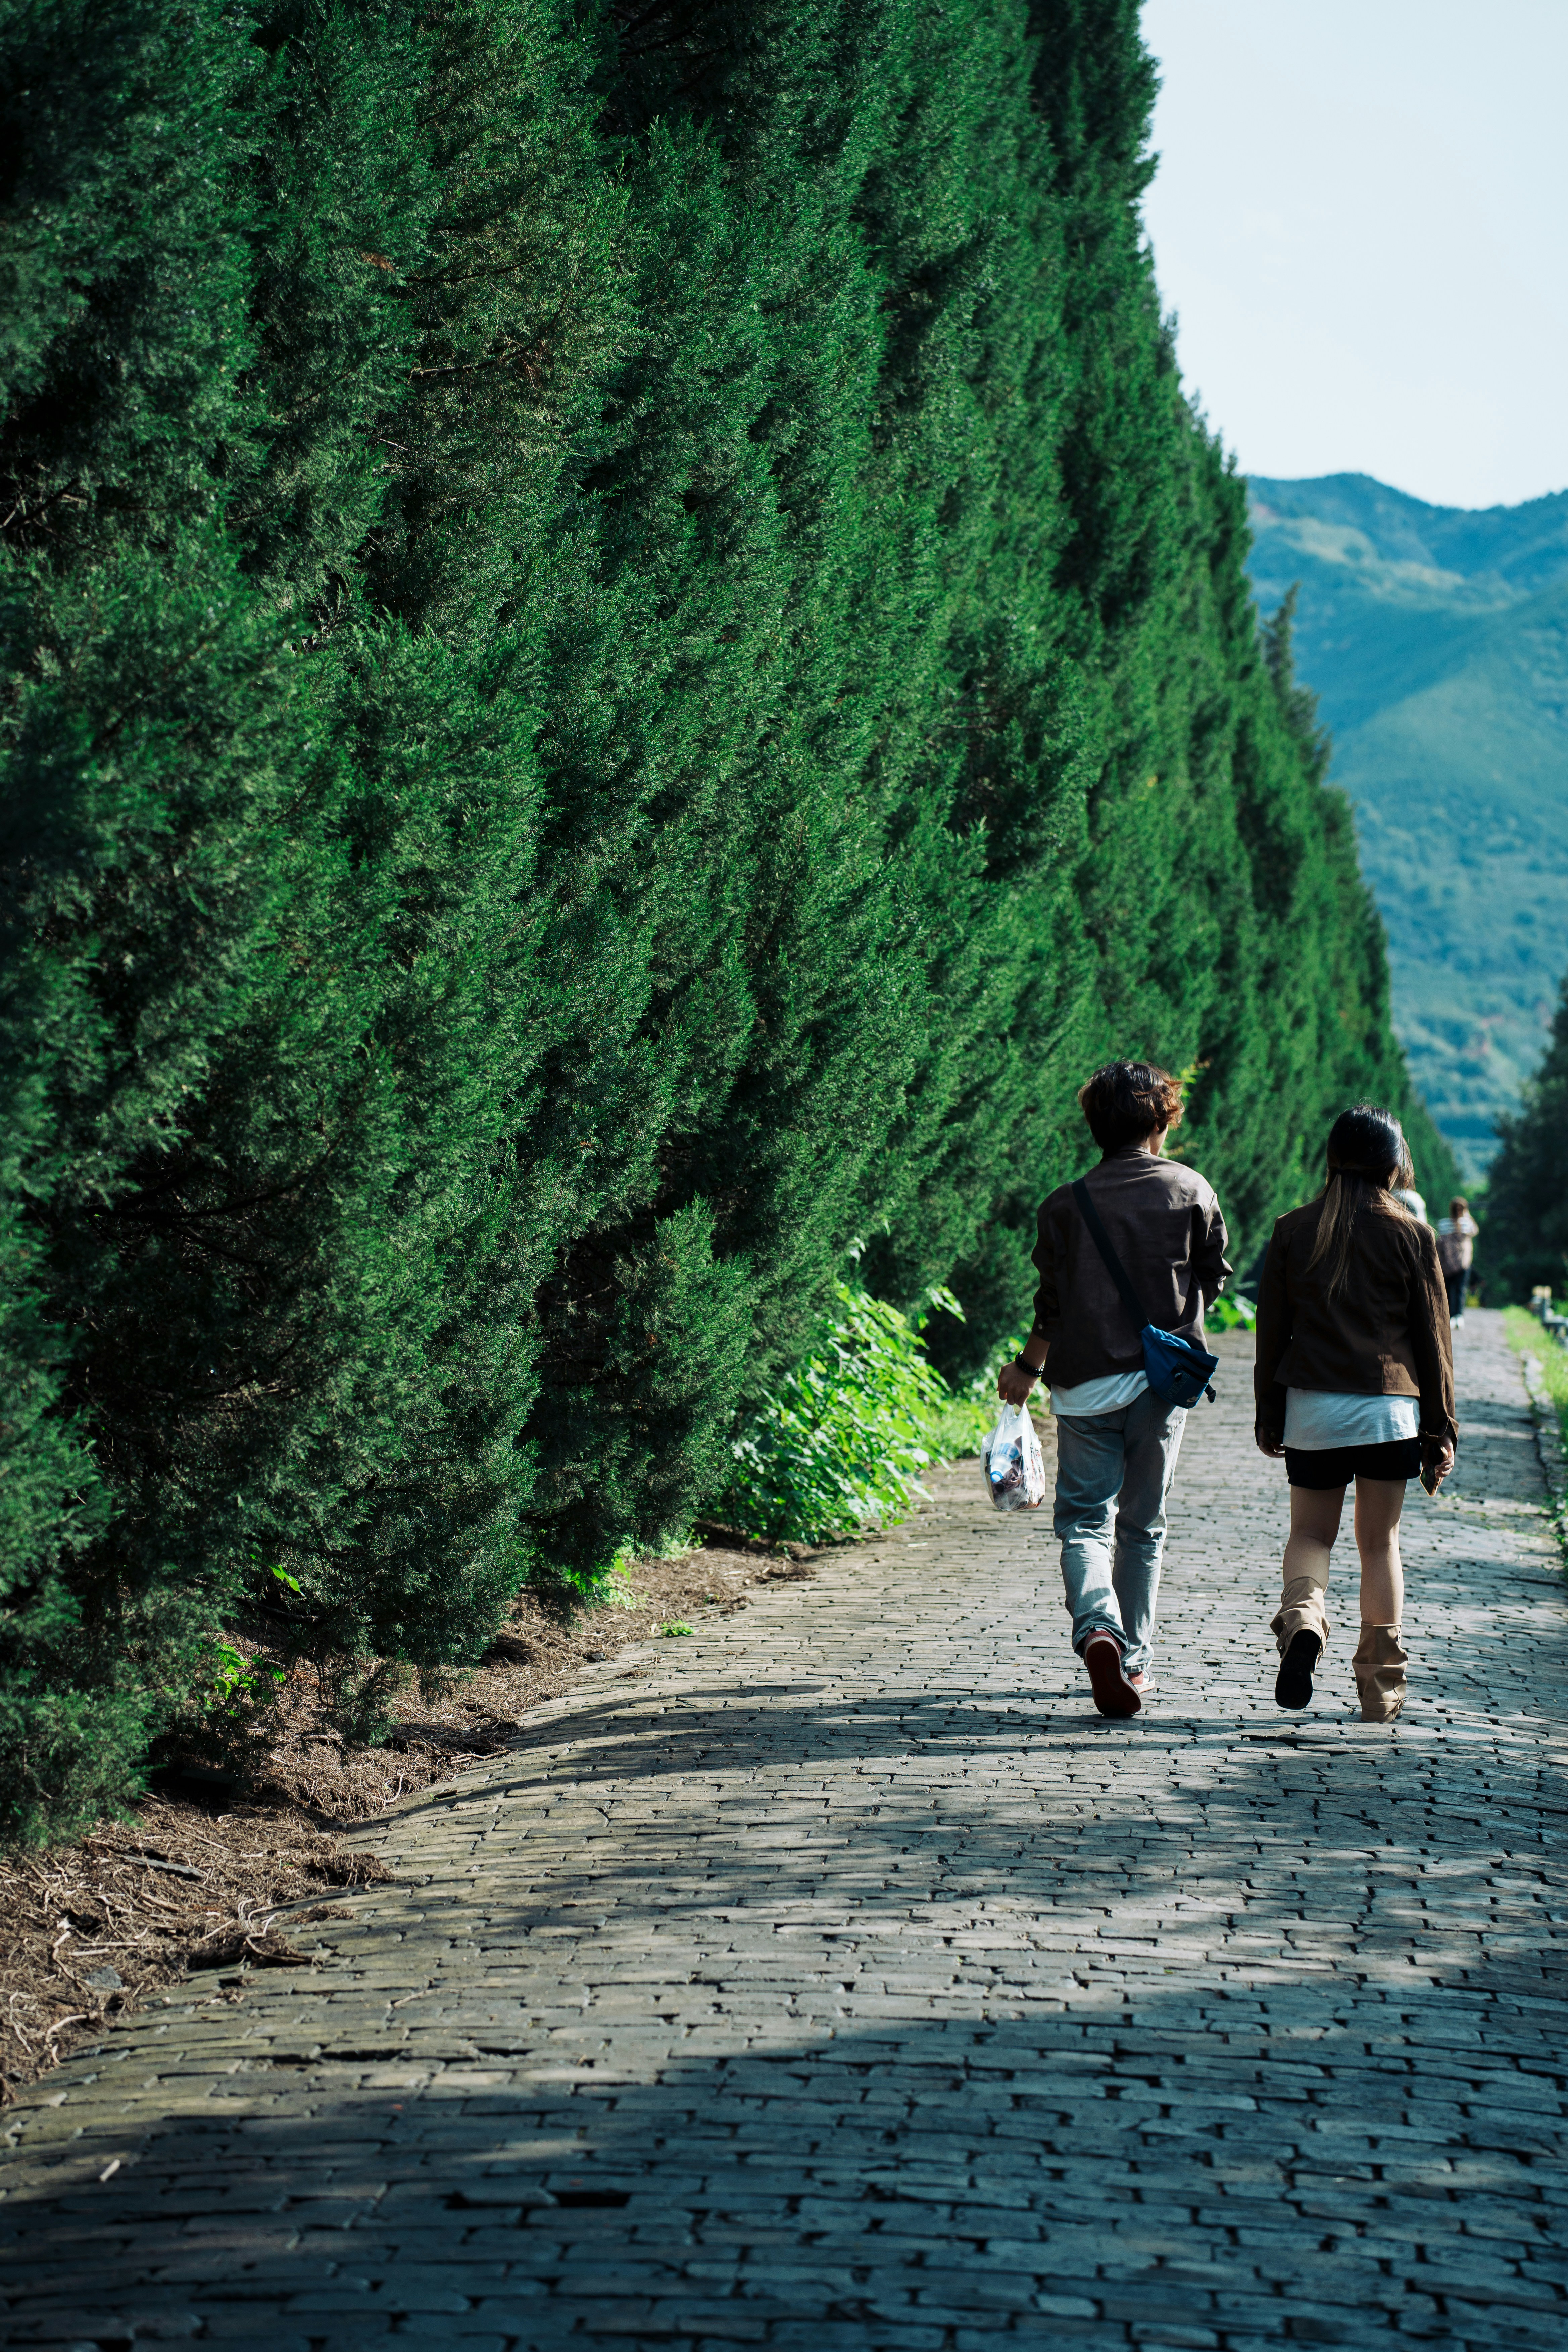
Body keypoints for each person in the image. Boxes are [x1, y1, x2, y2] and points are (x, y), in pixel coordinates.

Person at [998, 1060, 1231, 1719]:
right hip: (1159, 1388)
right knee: (1142, 1527)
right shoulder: (1190, 1191)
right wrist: (1173, 1312)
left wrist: (1026, 1366)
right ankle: (1132, 1659)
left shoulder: (1063, 1205)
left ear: (1094, 1124)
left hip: (1081, 1389)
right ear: (1161, 1122)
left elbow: (1052, 1306)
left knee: (1082, 1522)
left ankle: (1096, 1627)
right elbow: (1214, 1277)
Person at [1254, 1103, 1456, 1724]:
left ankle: (1304, 1620)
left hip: (1313, 1406)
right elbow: (1433, 1341)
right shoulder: (1413, 1235)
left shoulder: (1293, 1229)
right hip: (1388, 1412)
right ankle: (1379, 1687)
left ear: (1331, 1158)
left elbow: (1272, 1332)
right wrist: (1440, 1426)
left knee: (1311, 1534)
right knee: (1379, 1543)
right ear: (1394, 1163)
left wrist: (1269, 1412)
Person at [1435, 1196, 1479, 1327]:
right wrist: (1468, 1216)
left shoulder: (1444, 1223)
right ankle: (1457, 1315)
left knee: (1451, 1289)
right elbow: (1475, 1231)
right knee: (1458, 1289)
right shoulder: (1467, 1223)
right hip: (1462, 1262)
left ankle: (1453, 1315)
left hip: (1447, 1262)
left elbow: (1440, 1243)